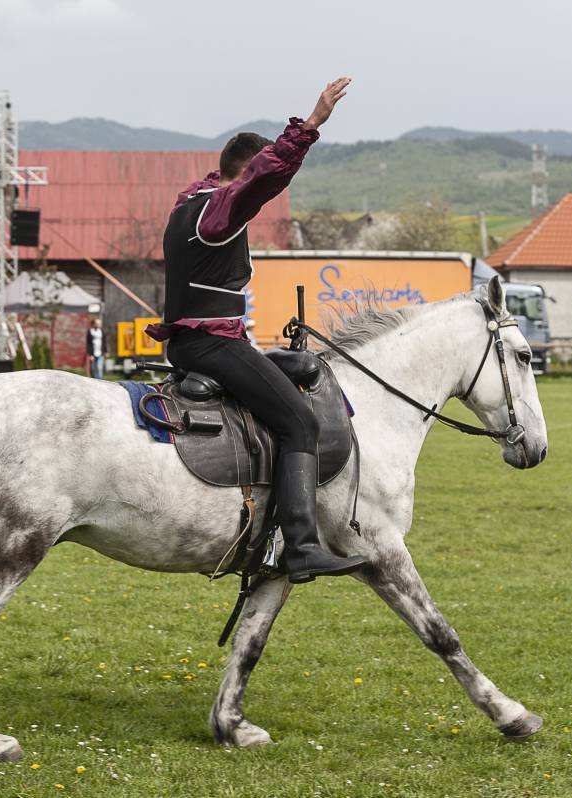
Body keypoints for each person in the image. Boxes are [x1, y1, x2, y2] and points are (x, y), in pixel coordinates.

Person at [146, 78, 365, 584]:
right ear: (244, 173)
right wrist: (309, 126)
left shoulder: (189, 202)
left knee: (302, 366)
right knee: (300, 423)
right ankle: (302, 548)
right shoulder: (218, 211)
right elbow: (263, 178)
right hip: (212, 345)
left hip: (194, 343)